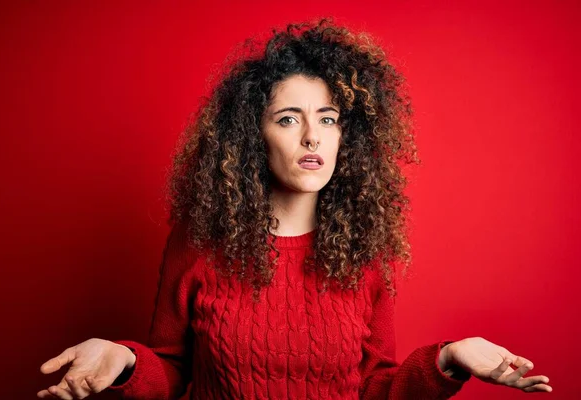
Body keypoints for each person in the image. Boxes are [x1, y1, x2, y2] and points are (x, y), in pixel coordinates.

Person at [37, 17, 552, 399]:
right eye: (287, 119)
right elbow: (173, 369)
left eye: (328, 119)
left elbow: (377, 387)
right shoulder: (199, 243)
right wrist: (125, 360)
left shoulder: (362, 252)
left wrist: (448, 359)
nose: (312, 136)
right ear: (249, 136)